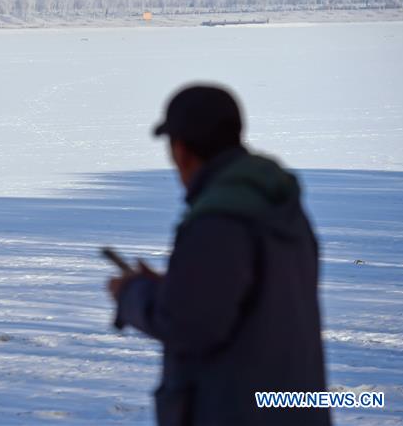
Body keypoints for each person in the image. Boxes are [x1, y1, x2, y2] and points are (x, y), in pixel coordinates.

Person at [108, 85, 329, 426]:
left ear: (180, 150)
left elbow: (188, 324)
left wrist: (131, 294)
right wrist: (176, 285)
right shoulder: (280, 205)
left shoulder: (219, 220)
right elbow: (255, 298)